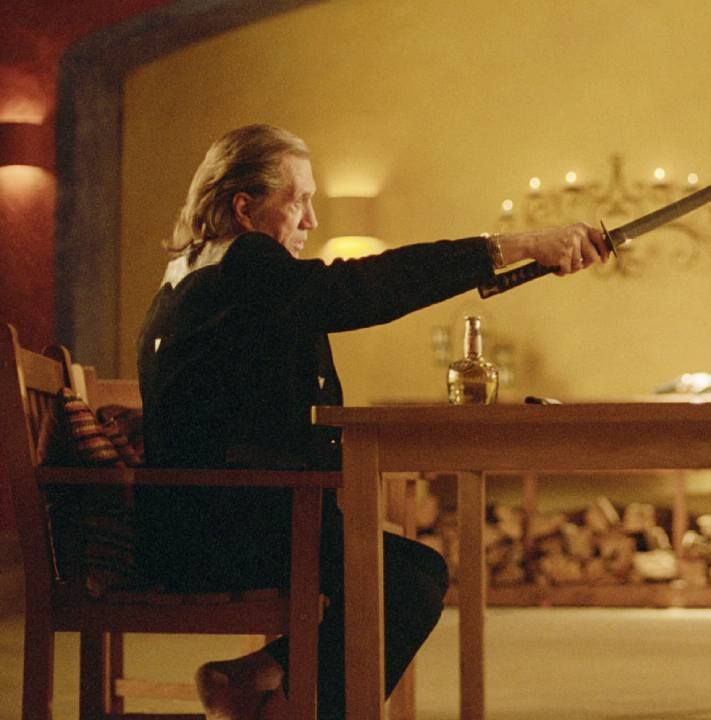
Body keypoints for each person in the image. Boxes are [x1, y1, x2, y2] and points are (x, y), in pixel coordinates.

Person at [135, 123, 610, 720]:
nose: (311, 221)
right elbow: (361, 289)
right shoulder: (245, 262)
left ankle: (251, 678)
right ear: (244, 209)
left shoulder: (192, 275)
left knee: (405, 573)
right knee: (410, 581)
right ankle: (281, 705)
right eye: (298, 201)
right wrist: (513, 246)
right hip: (224, 531)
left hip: (196, 521)